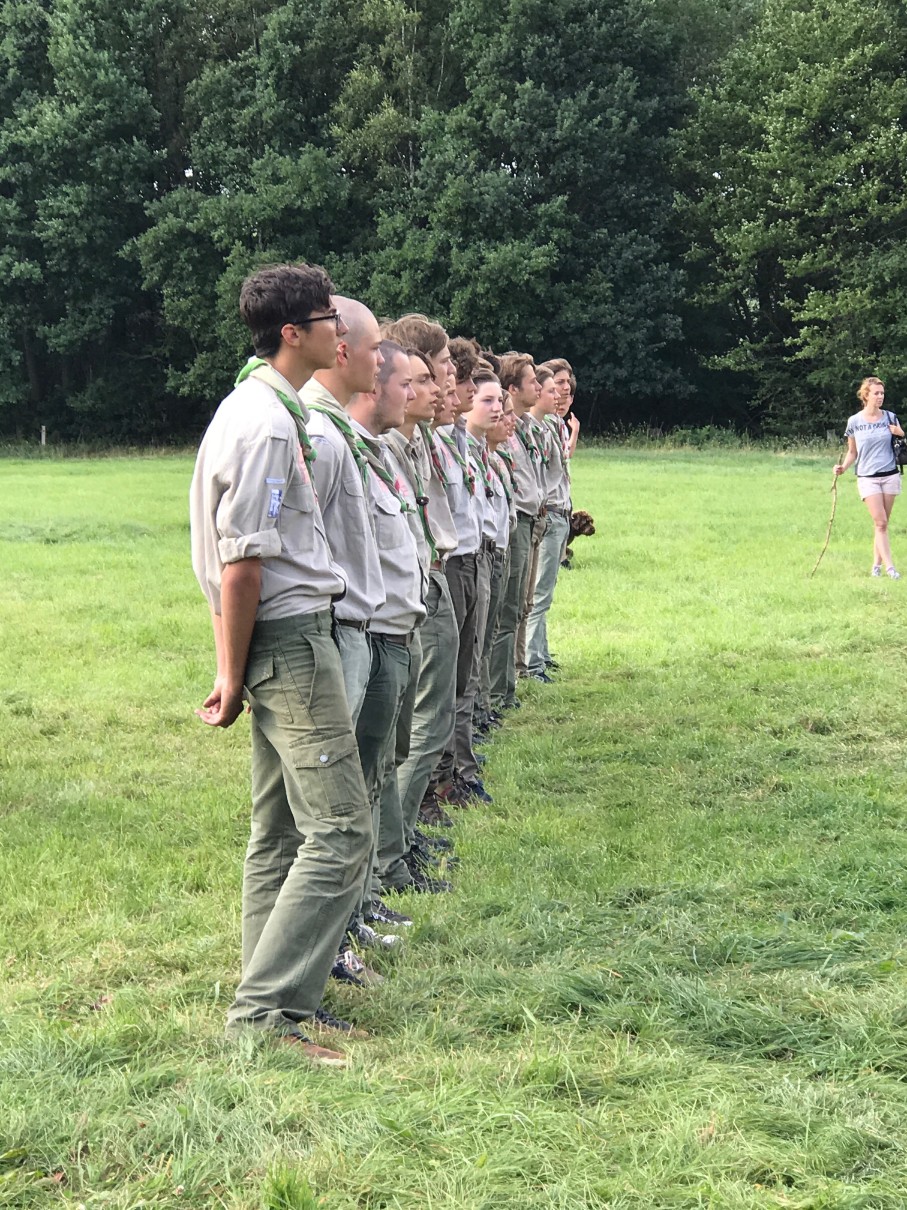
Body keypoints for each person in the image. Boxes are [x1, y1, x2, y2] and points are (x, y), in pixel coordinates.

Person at [189, 263, 371, 1066]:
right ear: (292, 333)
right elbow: (244, 563)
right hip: (289, 639)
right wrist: (233, 674)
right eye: (328, 318)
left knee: (281, 830)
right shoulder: (265, 424)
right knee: (340, 829)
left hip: (280, 635)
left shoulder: (263, 406)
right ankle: (265, 1014)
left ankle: (283, 995)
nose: (340, 330)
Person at [489, 353, 543, 711]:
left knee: (520, 606)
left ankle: (505, 686)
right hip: (514, 522)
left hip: (528, 519)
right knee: (506, 611)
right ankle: (496, 692)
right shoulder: (504, 435)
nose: (538, 388)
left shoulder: (525, 429)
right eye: (532, 382)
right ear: (512, 388)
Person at [524, 366, 570, 680]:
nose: (559, 394)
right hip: (550, 512)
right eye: (552, 389)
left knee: (547, 590)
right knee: (538, 591)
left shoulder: (552, 425)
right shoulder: (530, 429)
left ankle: (541, 651)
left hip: (560, 512)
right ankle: (530, 661)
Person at [834, 376, 905, 579]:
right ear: (866, 395)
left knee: (881, 525)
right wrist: (843, 467)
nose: (880, 396)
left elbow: (902, 443)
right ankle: (891, 568)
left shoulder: (890, 418)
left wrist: (901, 432)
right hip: (867, 477)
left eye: (882, 393)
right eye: (876, 393)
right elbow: (852, 452)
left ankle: (876, 566)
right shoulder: (854, 421)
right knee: (880, 522)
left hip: (890, 475)